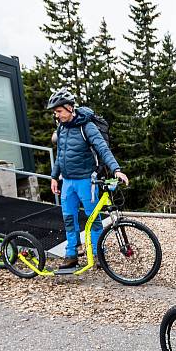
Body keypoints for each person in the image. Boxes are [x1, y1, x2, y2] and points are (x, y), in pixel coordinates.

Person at [48, 88, 129, 270]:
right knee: (69, 218)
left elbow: (102, 148)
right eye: (55, 112)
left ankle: (98, 254)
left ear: (69, 108)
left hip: (86, 181)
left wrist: (116, 169)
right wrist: (54, 177)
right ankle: (71, 254)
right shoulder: (61, 128)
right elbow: (60, 155)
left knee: (93, 218)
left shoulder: (87, 127)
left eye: (59, 111)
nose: (57, 115)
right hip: (67, 181)